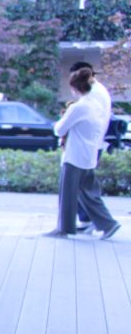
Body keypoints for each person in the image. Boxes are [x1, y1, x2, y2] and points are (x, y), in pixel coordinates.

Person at [48, 63, 121, 239]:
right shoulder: (96, 102)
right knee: (88, 193)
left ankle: (64, 228)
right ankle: (108, 224)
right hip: (90, 153)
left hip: (74, 155)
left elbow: (59, 129)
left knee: (68, 194)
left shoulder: (79, 107)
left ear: (75, 87)